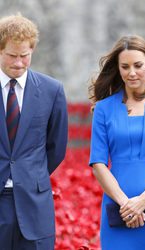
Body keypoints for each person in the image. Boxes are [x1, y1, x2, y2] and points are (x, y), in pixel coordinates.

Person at [89, 35, 145, 250]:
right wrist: (126, 204)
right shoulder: (103, 109)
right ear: (118, 68)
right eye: (125, 66)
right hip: (117, 206)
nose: (131, 73)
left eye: (138, 65)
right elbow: (98, 163)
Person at [0, 14, 68, 249]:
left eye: (24, 56)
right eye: (11, 56)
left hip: (34, 203)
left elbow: (56, 146)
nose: (18, 63)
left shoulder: (52, 90)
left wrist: (30, 174)